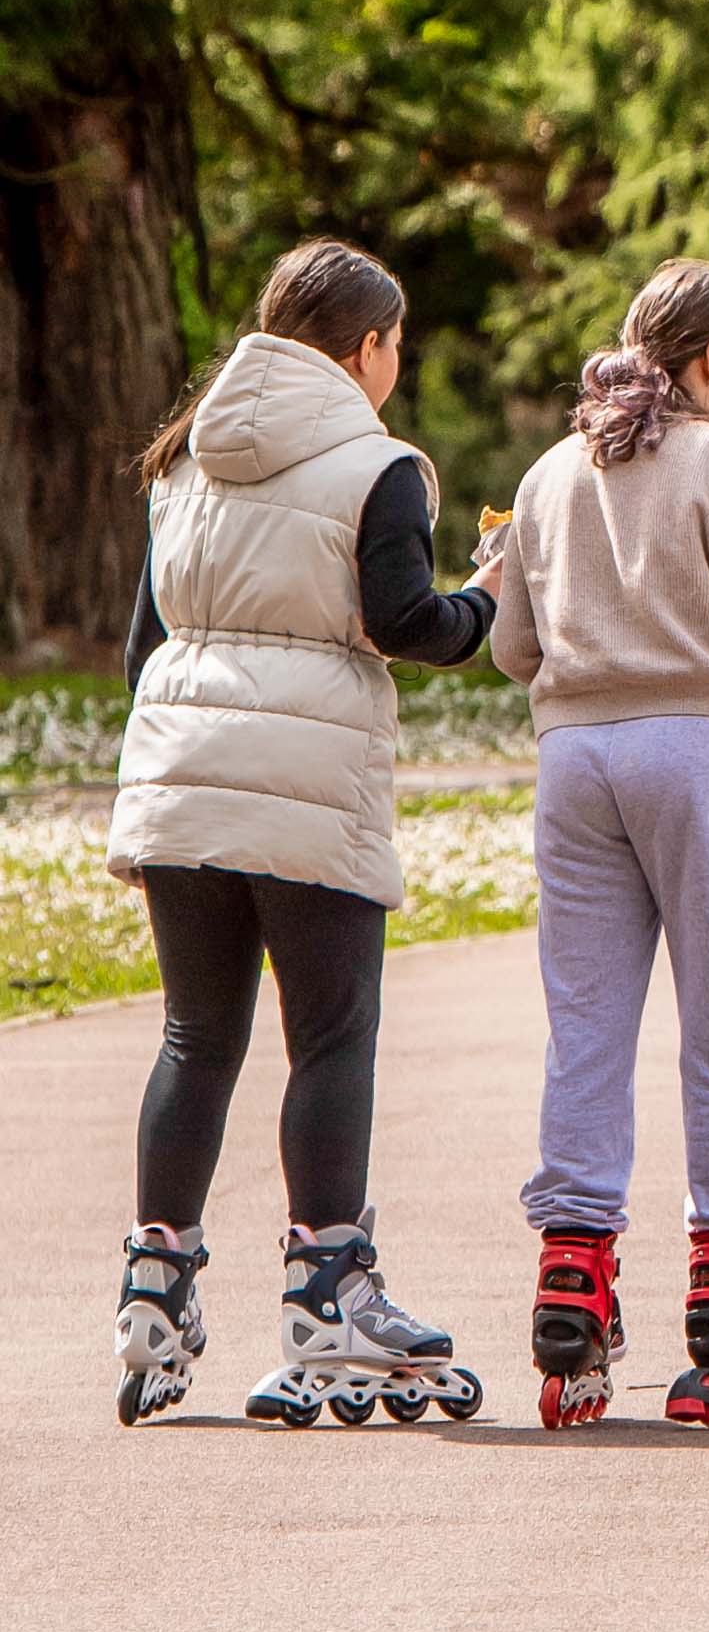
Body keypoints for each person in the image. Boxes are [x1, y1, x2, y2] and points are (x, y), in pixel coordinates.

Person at [105, 240, 497, 1428]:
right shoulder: (378, 468)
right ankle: (328, 1284)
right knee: (332, 1034)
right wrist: (489, 603)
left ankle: (154, 1291)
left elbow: (146, 643)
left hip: (177, 779)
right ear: (366, 347)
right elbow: (404, 620)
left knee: (195, 1036)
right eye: (396, 343)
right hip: (309, 777)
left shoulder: (186, 458)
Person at [488, 258, 709, 1429]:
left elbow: (511, 651)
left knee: (586, 1021)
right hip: (698, 745)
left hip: (575, 760)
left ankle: (574, 1272)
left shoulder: (551, 471)